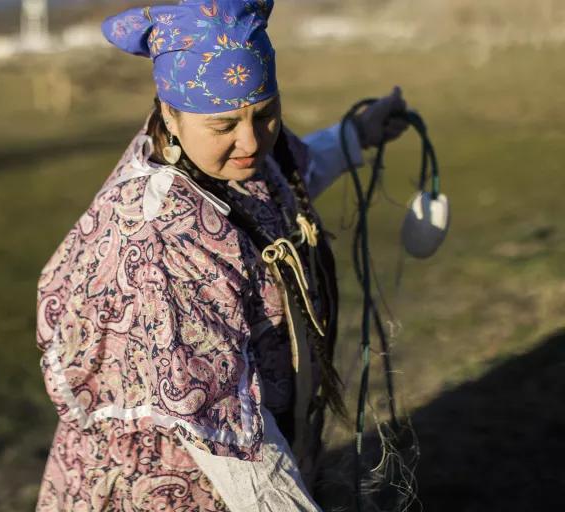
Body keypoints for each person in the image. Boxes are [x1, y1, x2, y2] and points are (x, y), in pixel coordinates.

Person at [35, 1, 409, 510]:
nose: (251, 141)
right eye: (224, 125)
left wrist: (356, 136)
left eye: (267, 113)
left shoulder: (237, 154)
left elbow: (286, 182)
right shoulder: (161, 243)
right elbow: (233, 444)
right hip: (181, 485)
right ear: (170, 111)